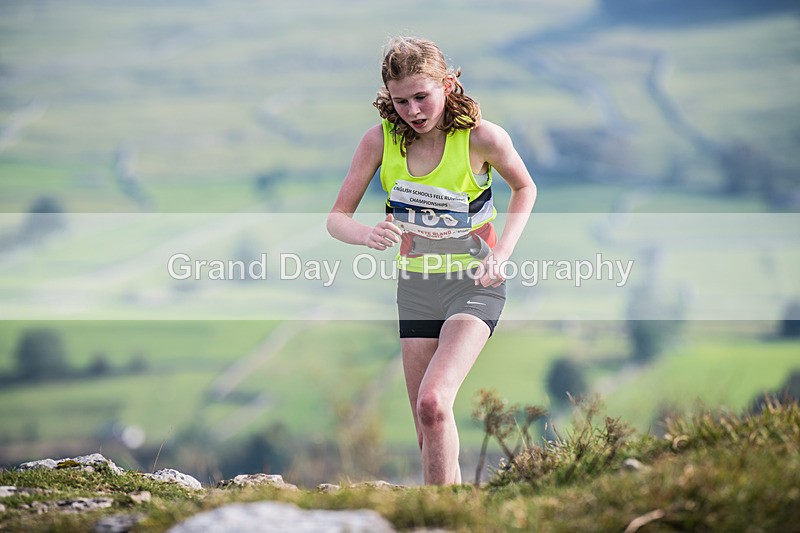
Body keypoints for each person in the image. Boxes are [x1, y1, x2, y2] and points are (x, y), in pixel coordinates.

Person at [327, 36, 536, 485]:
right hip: (417, 288)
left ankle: (443, 515)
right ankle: (453, 508)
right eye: (400, 101)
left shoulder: (482, 138)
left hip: (473, 283)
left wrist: (502, 253)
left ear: (447, 84)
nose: (413, 111)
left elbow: (525, 187)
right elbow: (336, 219)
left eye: (422, 96)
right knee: (429, 431)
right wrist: (367, 234)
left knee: (433, 403)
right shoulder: (378, 142)